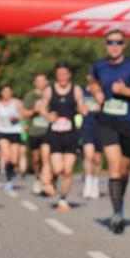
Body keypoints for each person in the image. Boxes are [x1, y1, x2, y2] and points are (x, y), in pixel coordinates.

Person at [90, 29, 130, 233]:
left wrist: (125, 91)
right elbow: (91, 82)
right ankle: (117, 213)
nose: (114, 46)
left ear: (124, 45)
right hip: (107, 121)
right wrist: (97, 92)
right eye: (110, 42)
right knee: (115, 165)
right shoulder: (99, 66)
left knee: (124, 169)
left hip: (129, 122)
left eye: (118, 42)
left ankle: (120, 203)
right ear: (105, 45)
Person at [43, 62, 86, 212]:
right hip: (54, 135)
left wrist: (83, 109)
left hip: (71, 135)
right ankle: (49, 174)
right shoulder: (50, 90)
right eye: (59, 74)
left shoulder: (76, 89)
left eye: (64, 74)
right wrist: (47, 115)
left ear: (69, 75)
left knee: (68, 170)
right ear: (56, 75)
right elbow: (42, 106)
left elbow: (81, 105)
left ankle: (63, 200)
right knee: (58, 168)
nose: (62, 77)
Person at [22, 72, 52, 196]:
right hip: (34, 131)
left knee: (46, 158)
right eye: (38, 81)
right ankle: (37, 178)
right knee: (36, 158)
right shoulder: (30, 96)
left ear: (46, 82)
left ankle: (47, 181)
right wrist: (35, 110)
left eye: (42, 80)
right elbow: (24, 113)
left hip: (48, 131)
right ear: (35, 83)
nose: (40, 83)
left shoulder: (50, 94)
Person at [0, 85, 25, 191]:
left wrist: (16, 117)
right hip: (2, 131)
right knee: (7, 155)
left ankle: (11, 171)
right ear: (1, 93)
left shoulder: (17, 102)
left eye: (9, 91)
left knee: (14, 160)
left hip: (14, 131)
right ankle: (9, 180)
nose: (7, 94)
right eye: (5, 91)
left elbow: (23, 114)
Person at [79, 77, 104, 199]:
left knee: (97, 159)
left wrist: (100, 101)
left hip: (100, 128)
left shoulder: (102, 92)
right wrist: (80, 108)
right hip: (86, 127)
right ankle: (87, 183)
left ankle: (95, 183)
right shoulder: (82, 91)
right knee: (88, 155)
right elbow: (76, 105)